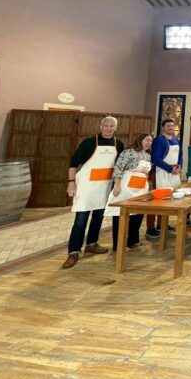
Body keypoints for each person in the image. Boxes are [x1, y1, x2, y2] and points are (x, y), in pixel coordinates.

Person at [62, 115, 124, 269]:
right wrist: (71, 183)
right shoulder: (89, 143)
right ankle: (74, 251)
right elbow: (73, 163)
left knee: (98, 217)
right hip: (86, 186)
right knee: (81, 220)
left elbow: (120, 166)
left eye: (112, 126)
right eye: (106, 125)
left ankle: (92, 243)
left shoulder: (119, 144)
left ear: (115, 128)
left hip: (104, 187)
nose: (109, 128)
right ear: (101, 126)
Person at [105, 133, 152, 252]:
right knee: (120, 214)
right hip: (126, 187)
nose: (148, 143)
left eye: (150, 141)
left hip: (140, 189)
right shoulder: (128, 152)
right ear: (139, 140)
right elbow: (118, 168)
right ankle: (118, 245)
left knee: (138, 214)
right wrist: (117, 184)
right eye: (146, 140)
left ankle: (133, 240)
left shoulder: (147, 155)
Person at [148, 118, 183, 238]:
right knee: (156, 201)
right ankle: (150, 228)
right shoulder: (159, 140)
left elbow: (180, 155)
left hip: (173, 173)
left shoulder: (175, 140)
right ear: (163, 128)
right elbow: (155, 159)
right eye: (168, 126)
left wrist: (179, 166)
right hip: (161, 172)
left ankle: (162, 224)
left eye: (172, 126)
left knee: (168, 199)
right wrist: (170, 168)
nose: (171, 128)